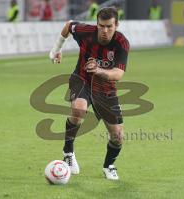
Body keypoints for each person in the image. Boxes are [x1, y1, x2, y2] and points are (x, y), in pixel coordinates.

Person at [49, 7, 129, 180]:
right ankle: (68, 152)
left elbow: (118, 74)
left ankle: (109, 165)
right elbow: (69, 25)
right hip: (81, 80)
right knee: (78, 110)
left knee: (117, 136)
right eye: (101, 26)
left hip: (106, 89)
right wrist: (57, 49)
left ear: (117, 24)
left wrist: (99, 71)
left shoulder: (121, 42)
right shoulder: (86, 32)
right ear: (97, 24)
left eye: (109, 26)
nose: (105, 31)